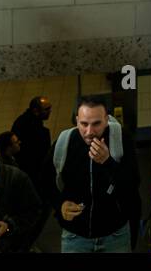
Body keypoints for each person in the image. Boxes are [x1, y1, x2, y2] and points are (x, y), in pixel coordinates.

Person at [46, 97, 141, 254]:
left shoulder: (121, 139)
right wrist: (59, 204)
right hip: (75, 236)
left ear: (106, 119)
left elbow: (132, 184)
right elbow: (45, 181)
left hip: (115, 234)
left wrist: (108, 162)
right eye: (84, 124)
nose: (89, 132)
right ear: (77, 121)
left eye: (96, 124)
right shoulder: (64, 142)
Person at [11, 96, 52, 182]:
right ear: (36, 111)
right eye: (46, 109)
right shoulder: (36, 130)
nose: (50, 111)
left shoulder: (22, 120)